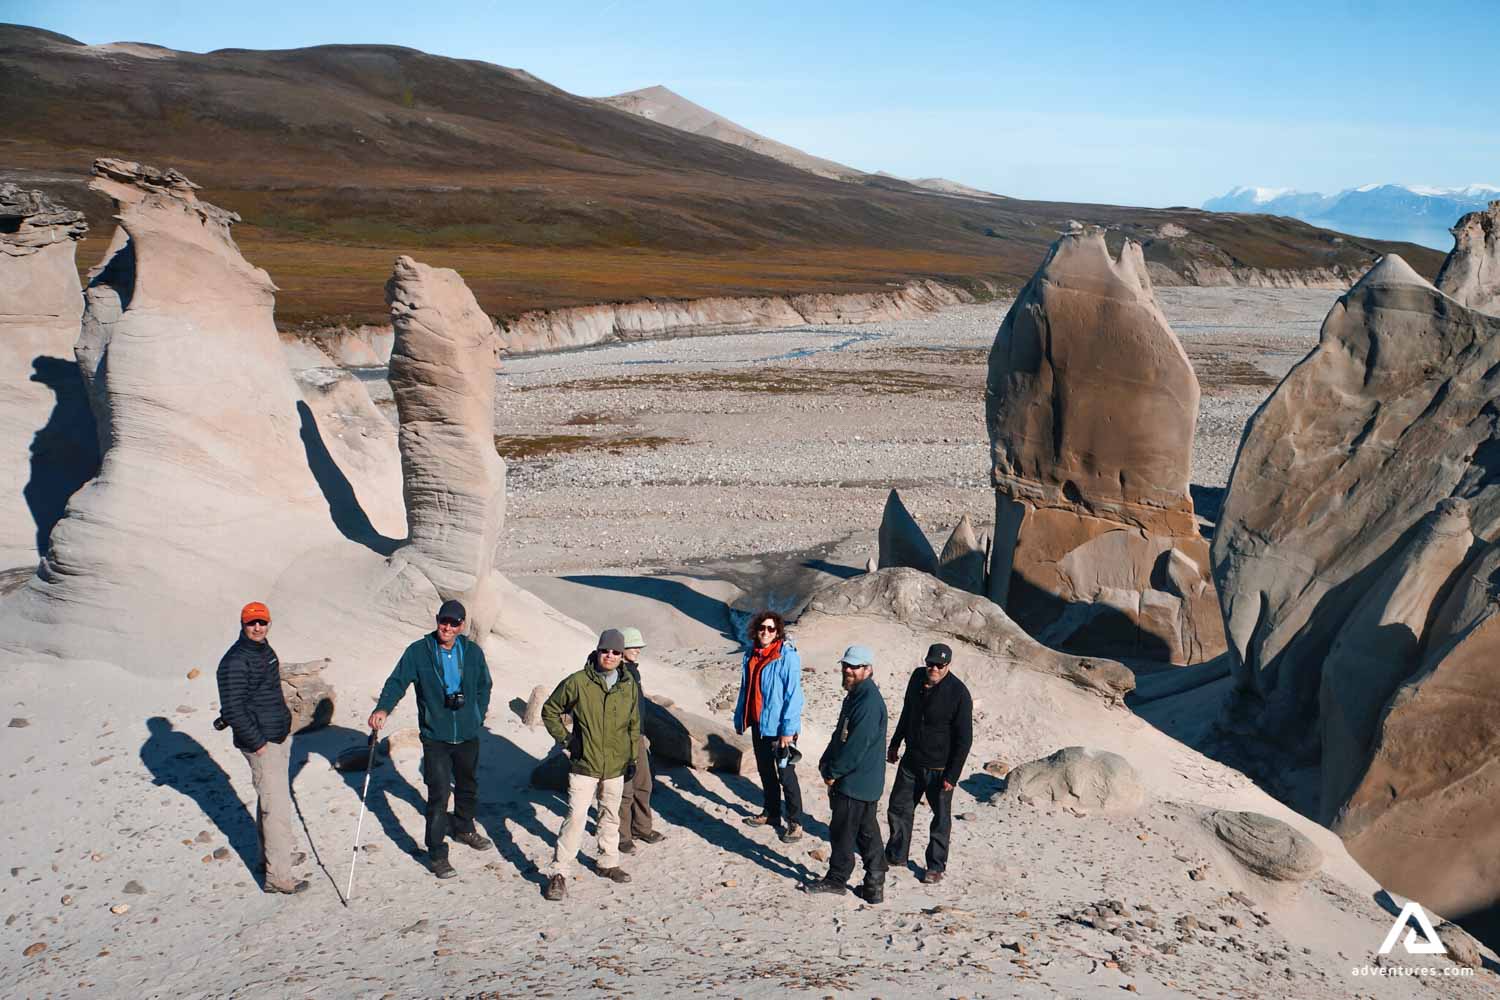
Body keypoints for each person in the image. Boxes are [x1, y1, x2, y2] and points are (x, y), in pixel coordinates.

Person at [368, 599, 494, 880]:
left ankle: (464, 828)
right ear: (437, 620)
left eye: (453, 623)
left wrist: (477, 715)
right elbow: (397, 681)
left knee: (467, 785)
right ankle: (436, 852)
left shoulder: (473, 653)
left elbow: (485, 686)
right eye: (443, 621)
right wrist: (383, 708)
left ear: (462, 626)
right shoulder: (418, 652)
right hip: (435, 736)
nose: (447, 627)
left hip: (467, 733)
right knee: (438, 793)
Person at [541, 629, 642, 902]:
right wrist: (566, 739)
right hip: (584, 764)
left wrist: (632, 757)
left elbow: (634, 724)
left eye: (616, 652)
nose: (610, 656)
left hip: (616, 764)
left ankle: (608, 862)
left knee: (610, 815)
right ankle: (558, 872)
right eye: (605, 650)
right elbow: (549, 710)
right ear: (598, 651)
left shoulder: (628, 684)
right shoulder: (578, 681)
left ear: (622, 656)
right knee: (575, 817)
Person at [216, 601, 308, 895]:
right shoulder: (234, 662)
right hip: (262, 743)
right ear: (242, 625)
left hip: (277, 735)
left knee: (272, 801)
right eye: (251, 623)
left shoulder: (265, 650)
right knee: (276, 807)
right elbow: (233, 708)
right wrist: (257, 744)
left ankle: (272, 855)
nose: (257, 628)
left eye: (262, 623)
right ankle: (278, 877)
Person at [884, 642, 973, 885]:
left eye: (939, 665)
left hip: (940, 768)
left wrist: (952, 776)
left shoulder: (959, 693)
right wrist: (895, 743)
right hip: (911, 760)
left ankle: (935, 866)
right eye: (930, 663)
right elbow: (907, 712)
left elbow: (965, 739)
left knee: (940, 819)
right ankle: (896, 855)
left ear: (948, 666)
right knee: (899, 809)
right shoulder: (916, 678)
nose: (933, 668)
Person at [806, 645, 888, 902]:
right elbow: (841, 734)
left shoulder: (868, 702)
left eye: (855, 666)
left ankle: (836, 879)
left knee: (842, 830)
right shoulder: (857, 696)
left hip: (854, 781)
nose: (848, 670)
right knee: (867, 831)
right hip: (864, 781)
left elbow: (856, 746)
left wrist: (834, 771)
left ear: (868, 669)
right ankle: (874, 883)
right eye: (846, 665)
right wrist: (826, 760)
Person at [732, 610, 805, 843]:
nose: (765, 632)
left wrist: (787, 730)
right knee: (765, 770)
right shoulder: (751, 654)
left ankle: (795, 822)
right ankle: (772, 813)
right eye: (762, 628)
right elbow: (747, 688)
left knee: (786, 774)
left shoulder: (786, 655)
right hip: (759, 725)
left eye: (771, 629)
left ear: (778, 632)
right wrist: (740, 717)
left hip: (780, 728)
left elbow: (794, 696)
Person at [617, 627, 665, 855]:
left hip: (637, 736)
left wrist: (642, 734)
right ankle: (622, 835)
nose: (637, 650)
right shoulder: (614, 672)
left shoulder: (632, 671)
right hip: (620, 738)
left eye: (638, 646)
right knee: (625, 789)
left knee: (643, 784)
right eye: (632, 646)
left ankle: (642, 827)